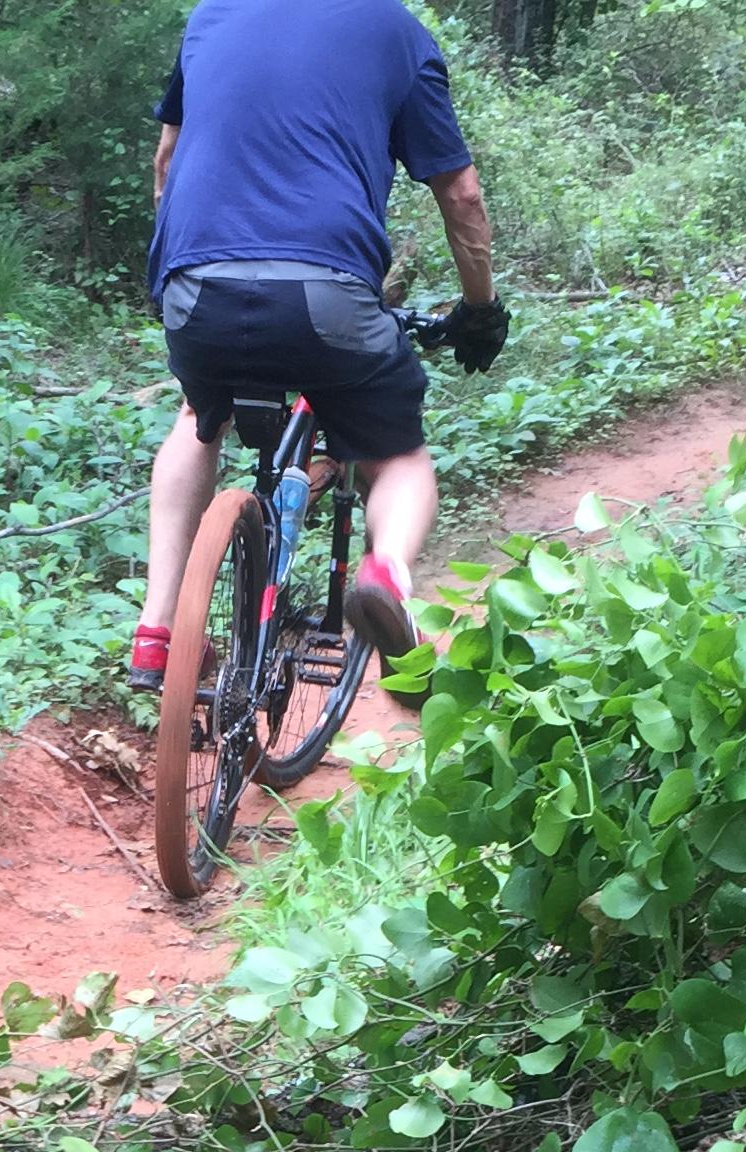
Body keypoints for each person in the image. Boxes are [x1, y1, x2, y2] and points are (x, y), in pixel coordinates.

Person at [128, 0, 508, 687]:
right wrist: (480, 308)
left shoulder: (214, 14)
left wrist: (177, 270)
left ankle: (156, 629)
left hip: (193, 281)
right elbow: (463, 195)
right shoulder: (396, 31)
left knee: (197, 419)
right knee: (399, 459)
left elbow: (167, 159)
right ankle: (386, 576)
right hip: (324, 288)